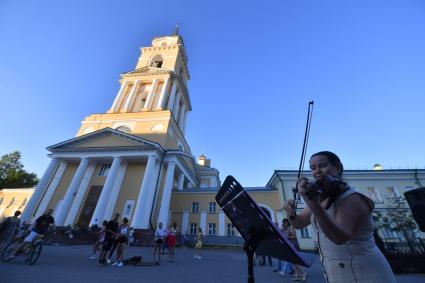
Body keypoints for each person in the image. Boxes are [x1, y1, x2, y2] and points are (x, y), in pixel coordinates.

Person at [284, 151, 396, 283]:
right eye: (313, 168)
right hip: (336, 273)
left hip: (365, 273)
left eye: (322, 165)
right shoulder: (320, 198)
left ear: (337, 168)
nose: (317, 171)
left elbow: (339, 237)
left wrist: (313, 204)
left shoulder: (352, 198)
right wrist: (290, 213)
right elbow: (300, 223)